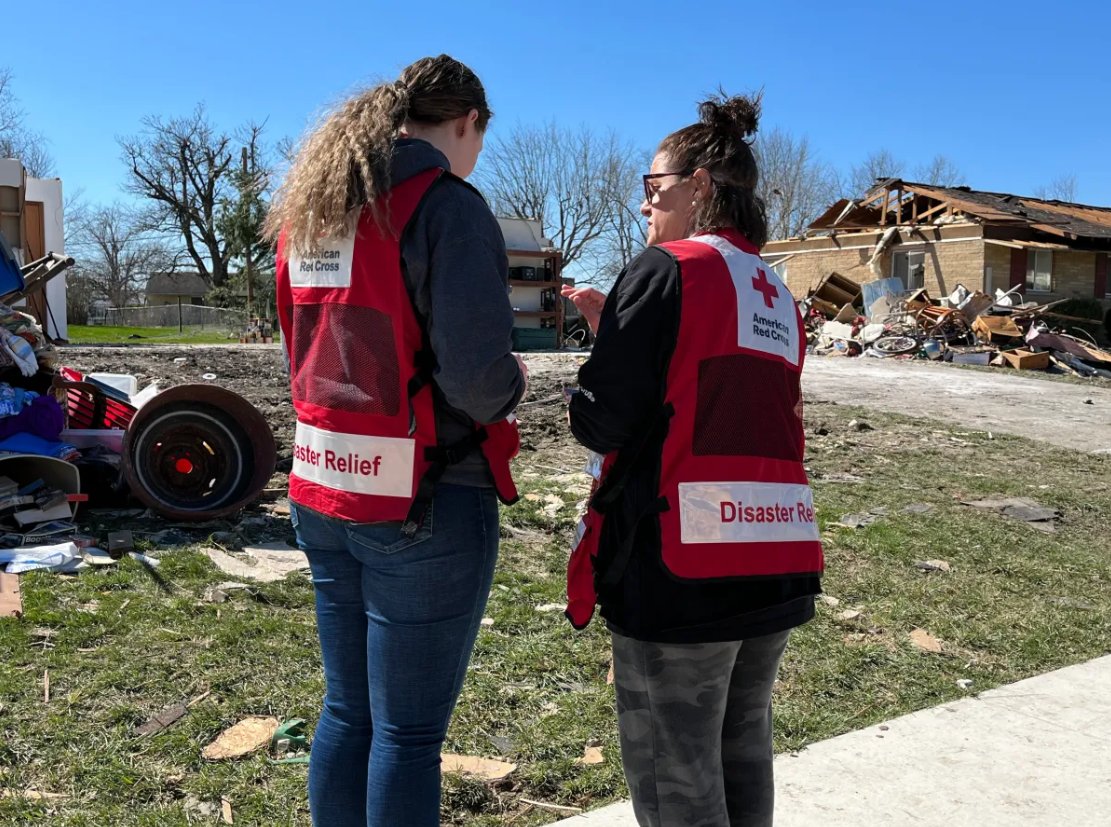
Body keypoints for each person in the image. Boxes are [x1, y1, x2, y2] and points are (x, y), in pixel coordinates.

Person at [267, 55, 527, 827]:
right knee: (408, 734)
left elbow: (297, 344)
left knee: (348, 711)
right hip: (425, 496)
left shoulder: (312, 210)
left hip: (323, 483)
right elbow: (478, 381)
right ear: (467, 122)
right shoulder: (446, 206)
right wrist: (512, 379)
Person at [562, 93, 824, 827]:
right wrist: (615, 328)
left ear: (699, 185)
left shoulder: (663, 270)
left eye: (654, 188)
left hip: (681, 569)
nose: (645, 205)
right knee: (741, 750)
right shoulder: (774, 288)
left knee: (675, 773)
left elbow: (603, 419)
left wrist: (602, 348)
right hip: (772, 555)